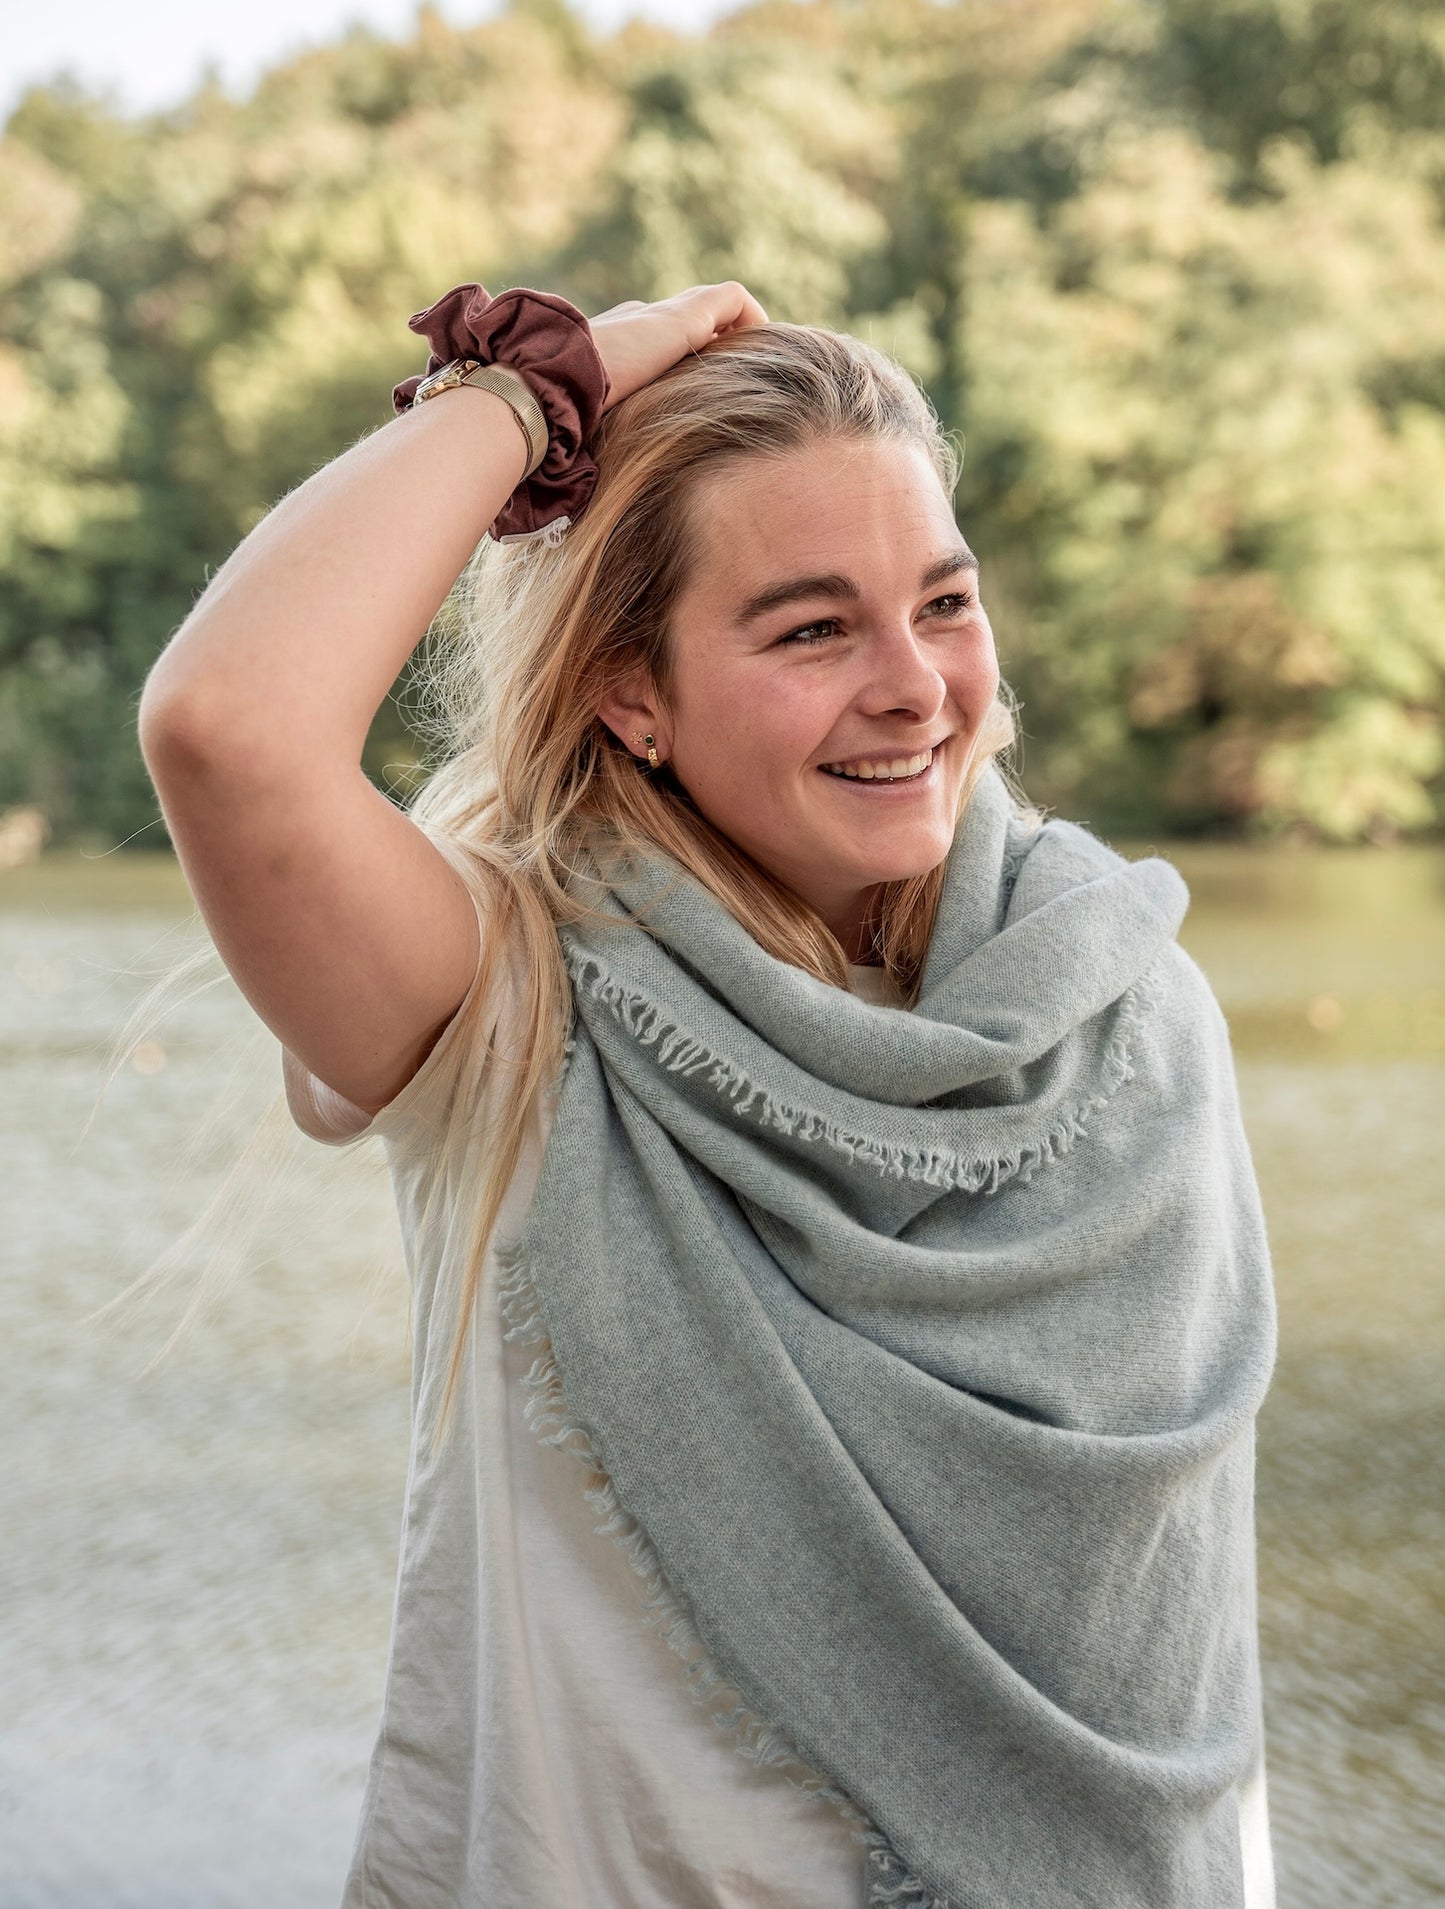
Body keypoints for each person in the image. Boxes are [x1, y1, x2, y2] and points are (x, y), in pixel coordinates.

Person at [137, 280, 1278, 1908]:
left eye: (941, 603)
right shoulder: (509, 1002)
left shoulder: (1128, 1005)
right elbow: (226, 725)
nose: (911, 686)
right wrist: (536, 392)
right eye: (811, 628)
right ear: (631, 692)